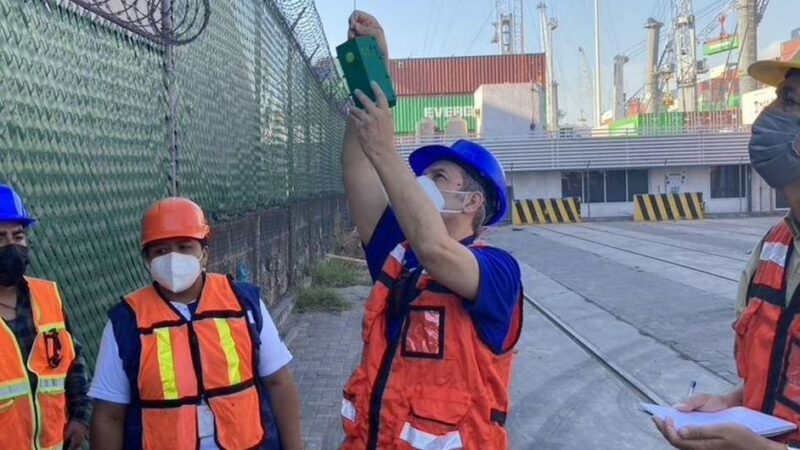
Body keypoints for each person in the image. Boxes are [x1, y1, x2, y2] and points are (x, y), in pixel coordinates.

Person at [339, 11, 524, 449]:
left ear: (474, 202)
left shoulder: (499, 273)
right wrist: (373, 78)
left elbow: (437, 250)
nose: (425, 184)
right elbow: (357, 169)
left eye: (440, 177)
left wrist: (388, 151)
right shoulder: (400, 254)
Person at [654, 59, 800, 449]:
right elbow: (780, 376)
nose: (767, 116)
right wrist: (728, 404)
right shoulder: (775, 246)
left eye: (788, 101)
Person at [89, 197, 303, 450]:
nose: (172, 258)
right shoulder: (126, 321)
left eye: (184, 246)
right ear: (147, 260)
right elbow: (109, 415)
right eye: (160, 250)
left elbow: (279, 383)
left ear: (204, 254)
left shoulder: (243, 303)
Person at [0, 184, 91, 449]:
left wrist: (80, 417)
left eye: (18, 236)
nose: (11, 246)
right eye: (0, 238)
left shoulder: (48, 295)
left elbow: (74, 362)